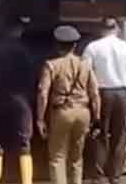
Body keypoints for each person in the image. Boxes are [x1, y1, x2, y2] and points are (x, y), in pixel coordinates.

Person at [36, 25, 101, 184]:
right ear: (75, 45)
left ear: (57, 45)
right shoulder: (85, 65)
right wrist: (97, 117)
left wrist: (40, 118)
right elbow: (95, 93)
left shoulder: (51, 65)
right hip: (83, 112)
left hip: (62, 112)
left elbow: (43, 93)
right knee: (77, 157)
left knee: (57, 156)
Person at [82, 17, 126, 184]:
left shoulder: (92, 47)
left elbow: (85, 73)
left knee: (99, 133)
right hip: (122, 93)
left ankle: (99, 175)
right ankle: (115, 176)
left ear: (101, 29)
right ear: (117, 29)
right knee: (119, 136)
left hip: (101, 93)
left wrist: (88, 96)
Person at [0, 21, 37, 184]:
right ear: (18, 31)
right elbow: (31, 78)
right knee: (24, 143)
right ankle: (26, 182)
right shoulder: (24, 52)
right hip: (20, 100)